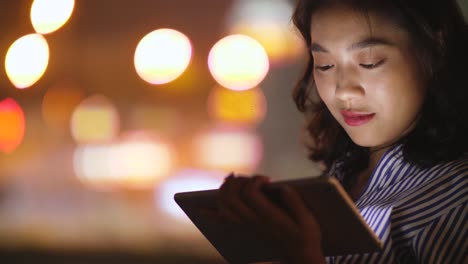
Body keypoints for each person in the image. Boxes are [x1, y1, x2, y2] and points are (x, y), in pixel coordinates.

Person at [217, 0, 468, 263]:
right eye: (325, 65)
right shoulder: (341, 180)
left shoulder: (454, 200)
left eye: (369, 62)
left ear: (436, 47)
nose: (343, 90)